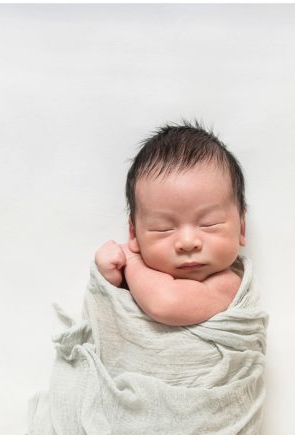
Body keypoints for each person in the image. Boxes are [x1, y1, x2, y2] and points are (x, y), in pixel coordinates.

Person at [94, 119, 248, 326]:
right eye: (163, 228)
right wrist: (112, 281)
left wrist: (130, 260)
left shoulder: (229, 284)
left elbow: (165, 303)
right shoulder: (138, 280)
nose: (187, 242)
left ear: (242, 227)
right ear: (134, 235)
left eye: (209, 224)